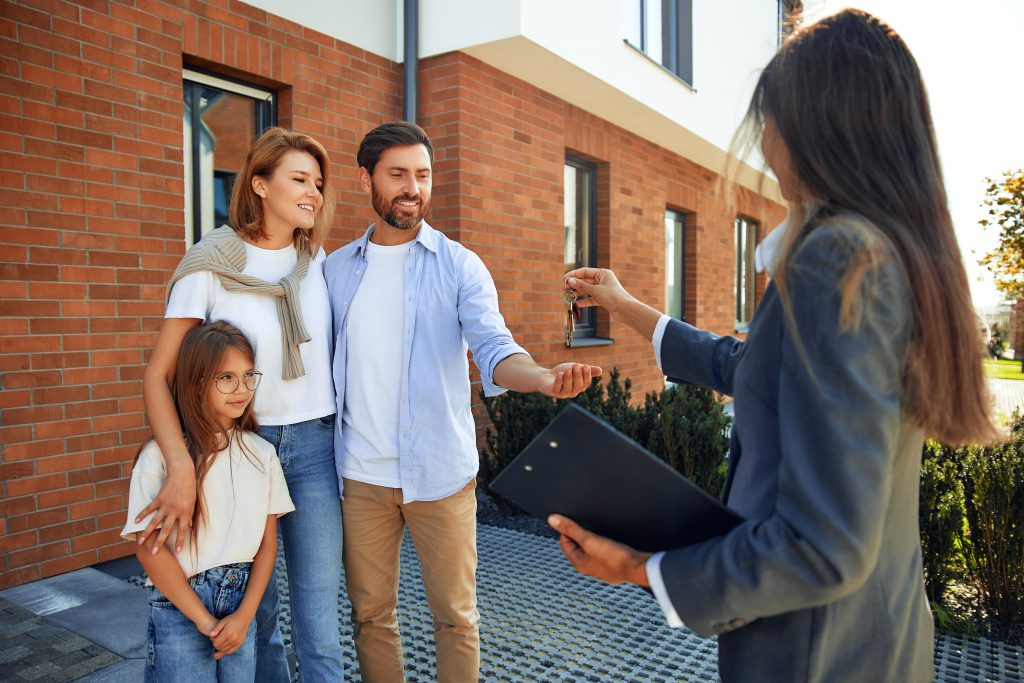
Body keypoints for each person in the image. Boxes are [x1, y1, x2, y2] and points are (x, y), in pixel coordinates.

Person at [549, 10, 997, 683]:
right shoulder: (887, 250)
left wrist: (643, 567)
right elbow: (750, 366)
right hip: (875, 642)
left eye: (772, 117)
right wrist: (626, 306)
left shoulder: (836, 258)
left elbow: (824, 546)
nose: (764, 140)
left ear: (820, 123)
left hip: (815, 657)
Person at [323, 120, 602, 683]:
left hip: (440, 475)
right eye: (397, 174)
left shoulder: (459, 266)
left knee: (456, 618)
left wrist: (544, 378)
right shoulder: (333, 271)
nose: (412, 188)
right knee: (371, 616)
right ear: (365, 180)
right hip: (360, 476)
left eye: (422, 175)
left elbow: (496, 349)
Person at [138, 128, 344, 681]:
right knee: (257, 617)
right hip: (241, 453)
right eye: (299, 179)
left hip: (315, 450)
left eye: (318, 183)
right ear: (259, 184)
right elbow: (159, 376)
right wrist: (180, 467)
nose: (313, 192)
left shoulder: (316, 262)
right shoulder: (210, 264)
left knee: (321, 620)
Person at [122, 321, 295, 682]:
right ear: (197, 381)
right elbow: (148, 549)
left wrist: (245, 616)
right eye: (226, 378)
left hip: (242, 604)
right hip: (180, 606)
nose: (242, 388)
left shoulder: (262, 454)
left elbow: (267, 546)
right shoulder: (159, 458)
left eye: (249, 375)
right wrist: (203, 619)